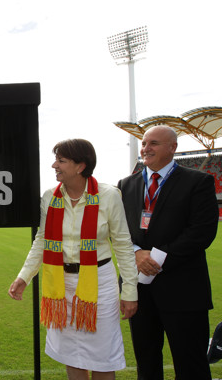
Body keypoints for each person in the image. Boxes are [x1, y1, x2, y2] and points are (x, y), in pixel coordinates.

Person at [8, 139, 138, 380]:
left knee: (101, 356)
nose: (54, 165)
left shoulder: (109, 196)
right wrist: (24, 276)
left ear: (80, 166)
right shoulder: (50, 197)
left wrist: (129, 290)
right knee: (71, 355)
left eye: (61, 160)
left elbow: (122, 244)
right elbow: (42, 240)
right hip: (60, 285)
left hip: (99, 285)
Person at [117, 125, 219, 379]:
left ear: (172, 148)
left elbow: (201, 232)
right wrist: (137, 253)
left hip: (183, 289)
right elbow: (119, 231)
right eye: (144, 143)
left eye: (154, 143)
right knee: (146, 361)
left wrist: (155, 259)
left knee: (190, 363)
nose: (145, 148)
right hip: (139, 288)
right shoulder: (125, 185)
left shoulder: (198, 181)